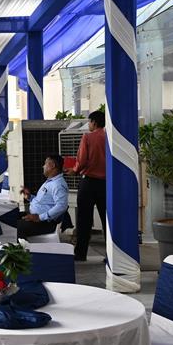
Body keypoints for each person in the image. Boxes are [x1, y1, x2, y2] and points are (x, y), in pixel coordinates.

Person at [74, 109, 108, 261]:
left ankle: (81, 253)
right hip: (106, 184)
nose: (88, 124)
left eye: (89, 121)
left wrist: (74, 170)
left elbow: (82, 161)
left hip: (88, 182)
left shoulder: (87, 137)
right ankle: (111, 255)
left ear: (93, 122)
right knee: (107, 219)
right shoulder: (109, 138)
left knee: (84, 220)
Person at [18, 154, 69, 239]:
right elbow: (44, 202)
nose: (43, 166)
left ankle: (21, 247)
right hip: (36, 217)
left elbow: (62, 206)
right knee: (11, 216)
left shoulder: (58, 184)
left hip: (45, 223)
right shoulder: (50, 181)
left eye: (45, 163)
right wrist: (30, 197)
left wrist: (40, 217)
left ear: (52, 165)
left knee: (17, 226)